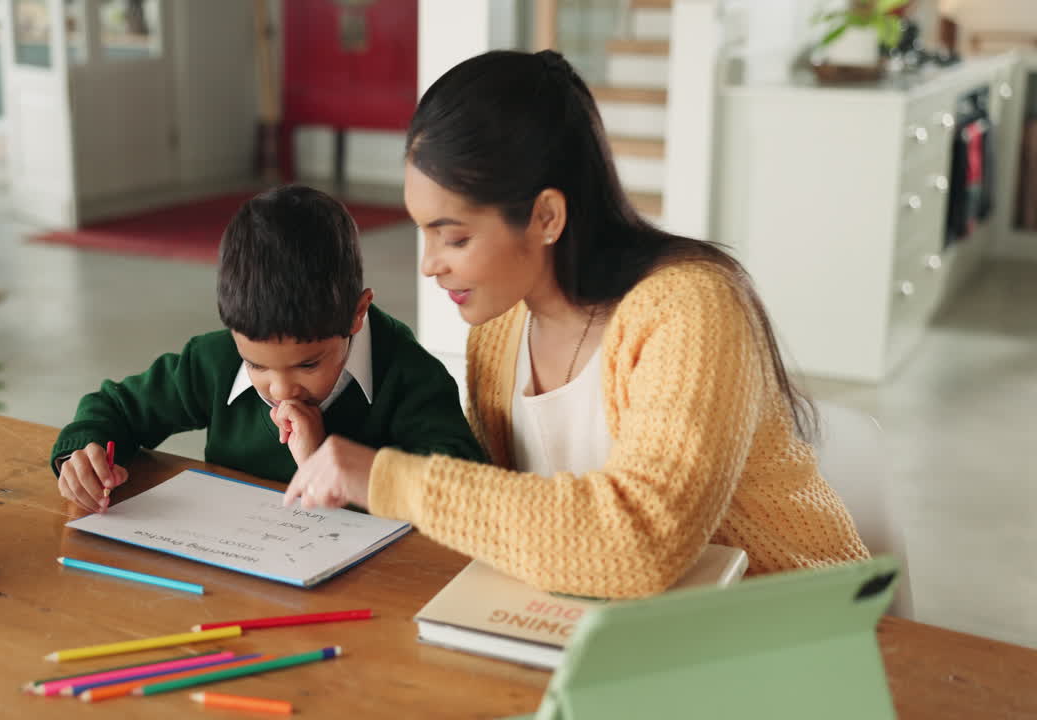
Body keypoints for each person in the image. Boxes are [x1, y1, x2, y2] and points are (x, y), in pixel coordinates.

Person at [283, 50, 869, 598]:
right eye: (424, 232)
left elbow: (643, 541)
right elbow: (505, 515)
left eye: (454, 237)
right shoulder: (499, 330)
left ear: (546, 216)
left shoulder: (692, 310)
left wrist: (383, 477)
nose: (430, 264)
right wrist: (329, 455)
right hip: (629, 625)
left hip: (796, 620)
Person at [52, 184, 484, 514]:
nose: (280, 390)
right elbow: (116, 407)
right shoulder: (214, 361)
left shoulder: (410, 377)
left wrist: (324, 462)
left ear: (357, 314)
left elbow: (462, 490)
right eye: (255, 365)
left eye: (308, 364)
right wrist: (85, 456)